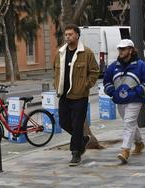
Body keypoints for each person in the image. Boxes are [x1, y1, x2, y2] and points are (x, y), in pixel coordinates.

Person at [53, 24, 100, 166]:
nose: (67, 37)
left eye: (70, 34)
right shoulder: (59, 53)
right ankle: (83, 140)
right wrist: (56, 85)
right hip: (64, 95)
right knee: (64, 123)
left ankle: (75, 153)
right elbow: (55, 71)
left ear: (77, 35)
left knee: (77, 124)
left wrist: (86, 85)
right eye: (66, 34)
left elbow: (94, 71)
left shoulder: (87, 53)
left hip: (80, 96)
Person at [103, 39, 145, 163]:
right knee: (130, 123)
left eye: (123, 49)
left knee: (128, 123)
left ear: (130, 50)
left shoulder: (141, 65)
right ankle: (139, 143)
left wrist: (137, 92)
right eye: (120, 49)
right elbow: (107, 80)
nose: (121, 51)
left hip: (135, 100)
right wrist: (112, 92)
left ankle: (125, 150)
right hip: (120, 101)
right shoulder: (114, 66)